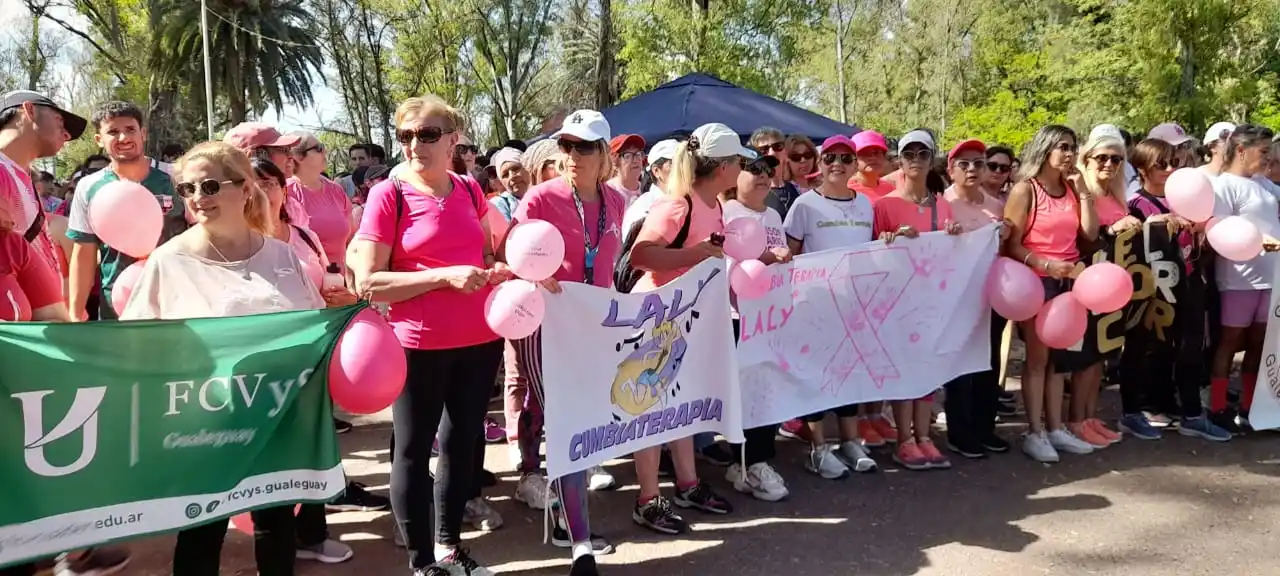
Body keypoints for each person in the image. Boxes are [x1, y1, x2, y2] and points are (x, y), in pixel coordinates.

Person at [120, 141, 327, 575]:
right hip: (202, 426)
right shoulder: (168, 260)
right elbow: (136, 343)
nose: (198, 197)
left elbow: (312, 329)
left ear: (245, 188)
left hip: (275, 419)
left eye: (210, 185)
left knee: (276, 527)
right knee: (201, 532)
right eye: (187, 188)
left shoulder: (282, 254)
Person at [349, 95, 508, 576]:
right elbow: (369, 282)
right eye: (406, 136)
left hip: (479, 341)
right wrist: (444, 278)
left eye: (428, 134)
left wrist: (500, 271)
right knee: (414, 452)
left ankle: (448, 547)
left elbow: (486, 254)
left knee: (461, 448)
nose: (415, 144)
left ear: (453, 140)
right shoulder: (388, 195)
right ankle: (422, 564)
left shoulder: (468, 190)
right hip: (416, 345)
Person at [500, 109, 624, 576]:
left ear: (603, 154)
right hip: (544, 324)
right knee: (566, 419)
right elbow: (512, 256)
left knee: (584, 418)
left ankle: (568, 517)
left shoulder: (615, 202)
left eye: (584, 147)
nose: (572, 156)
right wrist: (539, 273)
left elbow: (608, 268)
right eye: (566, 146)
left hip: (593, 327)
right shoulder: (540, 197)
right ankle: (579, 542)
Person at [627, 122, 743, 535]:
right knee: (651, 408)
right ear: (723, 165)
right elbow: (641, 255)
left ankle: (687, 484)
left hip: (688, 316)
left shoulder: (715, 205)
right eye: (738, 161)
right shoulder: (680, 204)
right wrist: (695, 255)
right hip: (658, 315)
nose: (743, 168)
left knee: (682, 404)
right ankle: (647, 498)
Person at [779, 134, 878, 477]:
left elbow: (872, 250)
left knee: (849, 371)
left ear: (854, 165)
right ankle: (818, 448)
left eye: (845, 158)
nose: (837, 164)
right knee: (815, 373)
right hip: (814, 303)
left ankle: (850, 442)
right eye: (830, 158)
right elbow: (788, 254)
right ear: (820, 165)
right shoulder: (804, 205)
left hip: (854, 304)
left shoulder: (866, 204)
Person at [1120, 138, 1232, 442]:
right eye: (1162, 164)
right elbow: (1128, 245)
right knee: (1142, 348)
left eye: (1175, 162)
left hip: (1190, 283)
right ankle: (1132, 412)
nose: (1171, 169)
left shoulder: (1184, 199)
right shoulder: (1135, 204)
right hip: (1150, 292)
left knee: (1190, 349)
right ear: (1142, 169)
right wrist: (1157, 224)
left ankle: (1192, 414)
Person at [1002, 125, 1100, 463]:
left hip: (1070, 284)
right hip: (1035, 283)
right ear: (1045, 150)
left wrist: (1084, 190)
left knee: (1059, 362)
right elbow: (1010, 244)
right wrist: (1043, 262)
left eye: (1073, 147)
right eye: (1062, 147)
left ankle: (1056, 429)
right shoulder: (1024, 190)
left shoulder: (1073, 190)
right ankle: (1034, 431)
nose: (1070, 154)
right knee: (1037, 360)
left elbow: (1089, 232)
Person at [871, 130, 963, 471]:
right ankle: (904, 439)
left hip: (932, 300)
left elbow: (953, 257)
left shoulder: (943, 205)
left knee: (927, 368)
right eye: (908, 153)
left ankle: (924, 437)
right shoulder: (883, 205)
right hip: (897, 302)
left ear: (931, 160)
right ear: (899, 159)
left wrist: (955, 238)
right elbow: (872, 255)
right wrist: (890, 240)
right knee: (903, 370)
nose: (915, 159)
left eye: (922, 154)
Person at [1063, 128, 1140, 446]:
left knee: (1101, 355)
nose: (1109, 164)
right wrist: (1111, 229)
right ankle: (1076, 420)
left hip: (1113, 285)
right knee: (1084, 357)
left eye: (1117, 159)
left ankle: (1091, 416)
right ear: (1087, 158)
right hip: (1085, 281)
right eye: (1103, 158)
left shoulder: (1115, 193)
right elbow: (1082, 238)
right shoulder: (1078, 193)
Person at [66, 101, 177, 321]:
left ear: (143, 133)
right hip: (116, 307)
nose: (124, 138)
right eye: (113, 132)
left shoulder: (176, 177)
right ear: (99, 140)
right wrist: (75, 312)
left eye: (130, 130)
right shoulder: (88, 187)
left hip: (177, 301)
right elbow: (84, 254)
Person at [721, 150, 791, 500]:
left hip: (770, 318)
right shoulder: (727, 213)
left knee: (766, 388)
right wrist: (764, 259)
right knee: (745, 392)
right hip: (736, 318)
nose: (763, 175)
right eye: (753, 169)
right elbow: (728, 261)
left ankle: (751, 460)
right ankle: (749, 462)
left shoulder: (776, 215)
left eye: (767, 170)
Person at [941, 139, 1012, 457]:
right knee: (960, 363)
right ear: (950, 170)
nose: (972, 169)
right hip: (955, 297)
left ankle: (986, 427)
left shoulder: (996, 207)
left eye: (979, 163)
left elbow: (1005, 249)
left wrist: (1007, 234)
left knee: (989, 360)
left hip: (990, 295)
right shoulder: (942, 204)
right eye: (964, 163)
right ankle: (960, 432)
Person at [1207, 124, 1280, 434]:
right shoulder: (1224, 186)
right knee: (1230, 343)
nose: (1268, 159)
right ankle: (1217, 407)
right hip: (1238, 280)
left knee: (1259, 344)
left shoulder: (1264, 184)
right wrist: (1255, 240)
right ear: (1241, 150)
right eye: (1263, 152)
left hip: (1270, 278)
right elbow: (1220, 227)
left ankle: (1250, 408)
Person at [287, 132, 354, 272]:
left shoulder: (336, 190)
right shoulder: (286, 192)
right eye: (319, 148)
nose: (325, 151)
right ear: (298, 157)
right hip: (305, 284)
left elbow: (352, 239)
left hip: (340, 285)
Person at [621, 139, 679, 234]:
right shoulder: (642, 210)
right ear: (656, 171)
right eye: (675, 164)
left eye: (685, 163)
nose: (683, 169)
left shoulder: (690, 201)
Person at [750, 127, 801, 219]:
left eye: (777, 146)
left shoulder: (794, 189)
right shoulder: (753, 191)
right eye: (763, 150)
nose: (772, 153)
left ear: (785, 152)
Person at [847, 130, 894, 203]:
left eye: (876, 153)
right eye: (865, 153)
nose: (872, 157)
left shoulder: (890, 189)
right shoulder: (846, 191)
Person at [488, 147, 528, 222]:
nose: (512, 176)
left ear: (527, 167)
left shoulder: (542, 193)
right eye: (505, 174)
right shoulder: (499, 204)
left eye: (515, 168)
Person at [607, 133, 645, 205]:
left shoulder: (647, 190)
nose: (635, 160)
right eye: (628, 156)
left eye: (638, 154)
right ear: (615, 161)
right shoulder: (608, 192)